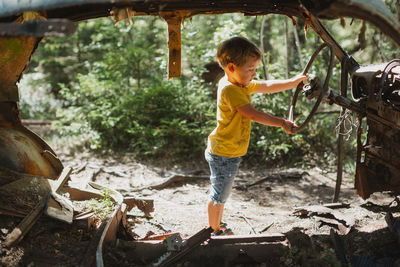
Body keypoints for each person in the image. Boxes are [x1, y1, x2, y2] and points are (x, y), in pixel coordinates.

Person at [205, 36, 309, 236]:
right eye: (250, 69)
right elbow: (252, 114)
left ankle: (216, 223)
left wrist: (293, 82)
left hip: (230, 151)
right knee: (219, 194)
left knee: (222, 192)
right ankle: (213, 229)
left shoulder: (239, 84)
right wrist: (281, 122)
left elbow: (267, 86)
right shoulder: (230, 90)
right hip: (224, 152)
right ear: (233, 67)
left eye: (254, 69)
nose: (254, 74)